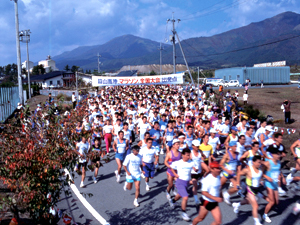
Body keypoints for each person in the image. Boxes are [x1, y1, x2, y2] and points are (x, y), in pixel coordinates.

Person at [233, 155, 264, 225]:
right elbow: (239, 173)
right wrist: (237, 183)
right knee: (255, 206)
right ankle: (257, 222)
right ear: (253, 162)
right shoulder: (248, 170)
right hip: (250, 189)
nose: (260, 164)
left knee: (248, 201)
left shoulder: (260, 169)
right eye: (258, 162)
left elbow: (260, 177)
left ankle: (237, 204)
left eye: (260, 162)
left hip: (257, 189)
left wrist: (261, 181)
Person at [169, 148, 198, 221]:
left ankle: (172, 201)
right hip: (180, 182)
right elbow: (171, 167)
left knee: (180, 195)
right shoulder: (178, 162)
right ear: (183, 155)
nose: (189, 156)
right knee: (185, 197)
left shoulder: (191, 162)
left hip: (187, 183)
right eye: (187, 155)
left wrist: (195, 169)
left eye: (189, 155)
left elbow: (195, 168)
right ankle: (184, 213)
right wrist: (175, 174)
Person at [192, 161, 223, 225]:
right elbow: (204, 192)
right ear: (212, 169)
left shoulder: (218, 177)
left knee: (218, 222)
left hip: (214, 203)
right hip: (206, 202)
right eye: (217, 168)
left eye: (219, 168)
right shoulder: (207, 179)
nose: (219, 170)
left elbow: (218, 188)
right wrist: (216, 198)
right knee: (200, 218)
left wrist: (221, 195)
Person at [262, 146, 286, 223]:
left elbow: (279, 170)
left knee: (276, 202)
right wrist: (266, 177)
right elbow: (261, 172)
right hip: (269, 183)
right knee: (272, 202)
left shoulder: (278, 162)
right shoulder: (268, 163)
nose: (279, 156)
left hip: (275, 183)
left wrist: (282, 177)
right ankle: (265, 215)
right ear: (273, 155)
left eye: (279, 154)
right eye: (277, 154)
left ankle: (263, 196)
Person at [190, 140, 210, 205]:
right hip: (193, 171)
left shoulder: (200, 151)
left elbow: (204, 156)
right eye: (196, 146)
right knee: (195, 185)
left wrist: (203, 158)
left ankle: (201, 178)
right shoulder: (190, 153)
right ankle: (196, 200)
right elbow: (189, 162)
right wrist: (193, 167)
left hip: (199, 170)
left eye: (198, 146)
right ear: (192, 146)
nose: (197, 147)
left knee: (208, 170)